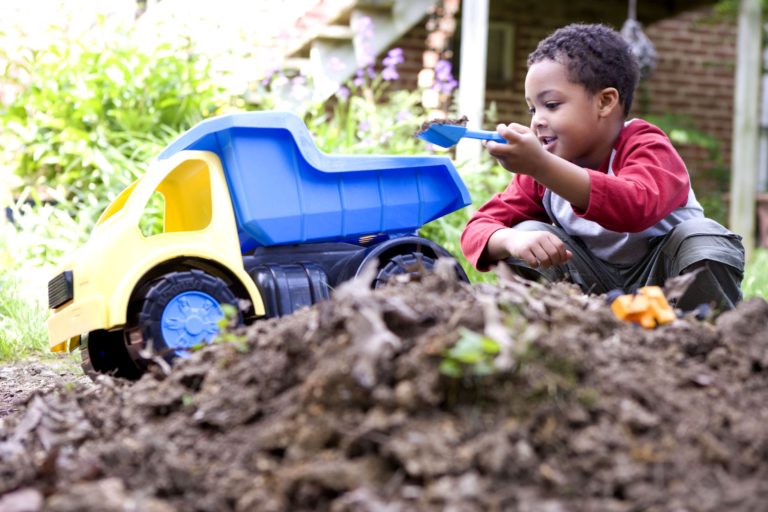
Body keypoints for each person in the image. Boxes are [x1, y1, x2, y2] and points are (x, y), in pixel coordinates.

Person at [460, 23, 744, 311]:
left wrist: (542, 166)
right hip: (589, 291)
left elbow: (635, 206)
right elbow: (477, 228)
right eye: (533, 108)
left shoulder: (646, 145)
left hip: (667, 283)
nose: (537, 120)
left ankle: (709, 334)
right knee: (525, 232)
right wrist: (511, 240)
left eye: (552, 104)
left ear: (605, 102)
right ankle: (555, 333)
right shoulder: (539, 172)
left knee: (702, 238)